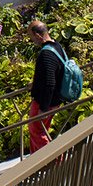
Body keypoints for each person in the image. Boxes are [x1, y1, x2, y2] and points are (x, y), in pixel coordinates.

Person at [27, 18, 64, 153]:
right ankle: (35, 162)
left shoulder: (46, 54)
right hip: (55, 99)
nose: (32, 41)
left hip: (45, 102)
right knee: (40, 131)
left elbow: (49, 83)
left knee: (36, 131)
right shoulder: (57, 46)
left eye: (32, 37)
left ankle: (55, 160)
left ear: (37, 35)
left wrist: (43, 108)